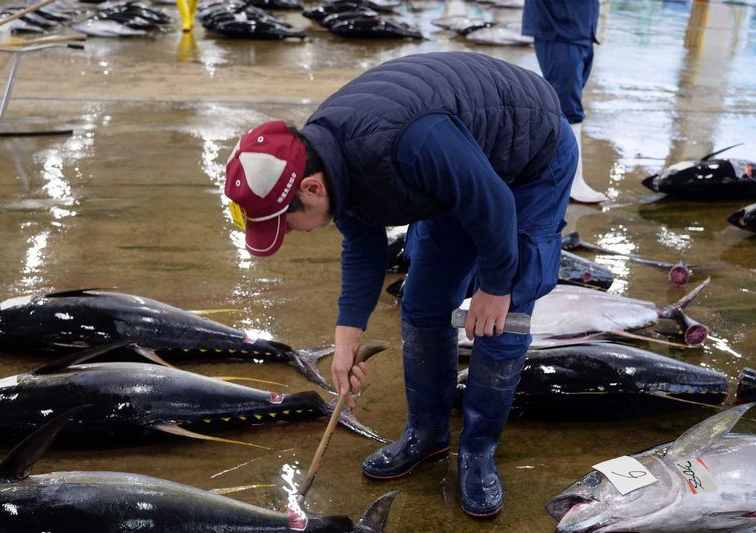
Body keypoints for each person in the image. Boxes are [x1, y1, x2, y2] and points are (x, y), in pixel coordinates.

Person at [224, 51, 576, 519]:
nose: (290, 234)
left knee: (500, 321)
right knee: (422, 303)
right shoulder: (324, 158)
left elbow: (492, 201)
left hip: (531, 154)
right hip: (457, 165)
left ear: (310, 189)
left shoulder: (409, 142)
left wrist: (495, 285)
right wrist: (346, 336)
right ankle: (427, 433)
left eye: (287, 225)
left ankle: (477, 452)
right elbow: (362, 243)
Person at [523, 0, 606, 203]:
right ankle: (571, 181)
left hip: (581, 30)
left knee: (568, 104)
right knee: (568, 109)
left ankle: (557, 175)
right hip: (560, 29)